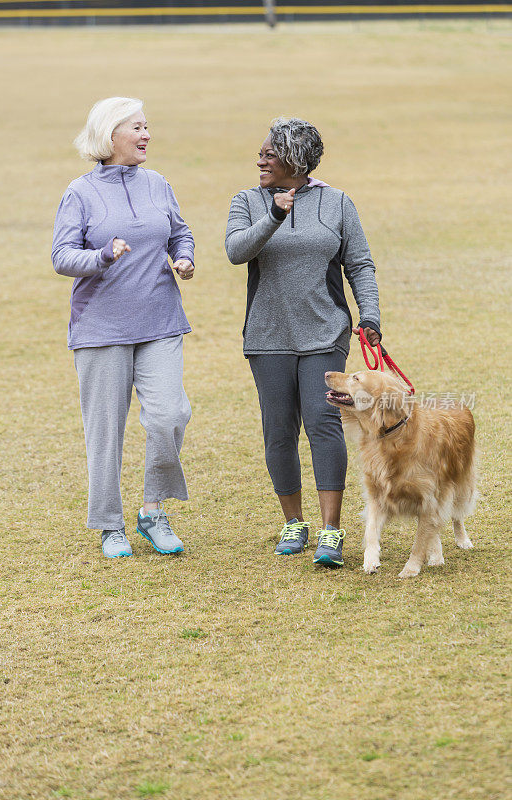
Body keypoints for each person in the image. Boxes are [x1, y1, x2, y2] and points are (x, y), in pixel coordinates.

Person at [225, 117, 381, 567]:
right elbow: (237, 251)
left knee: (323, 422)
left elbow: (360, 264)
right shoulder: (247, 201)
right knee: (279, 429)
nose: (260, 160)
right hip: (268, 335)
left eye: (269, 154)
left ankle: (331, 531)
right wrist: (274, 213)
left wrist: (369, 314)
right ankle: (294, 523)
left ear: (295, 160)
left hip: (324, 332)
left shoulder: (336, 203)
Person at [52, 96, 195, 559]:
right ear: (110, 135)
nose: (146, 135)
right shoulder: (80, 192)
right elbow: (62, 256)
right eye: (137, 128)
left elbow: (179, 231)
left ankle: (153, 510)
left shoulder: (157, 183)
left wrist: (184, 256)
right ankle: (109, 524)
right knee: (105, 433)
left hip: (160, 321)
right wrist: (101, 256)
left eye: (147, 126)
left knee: (171, 415)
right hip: (100, 329)